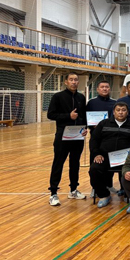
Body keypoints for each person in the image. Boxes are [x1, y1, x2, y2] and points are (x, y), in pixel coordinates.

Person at [89, 102, 130, 208]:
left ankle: (129, 194)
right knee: (94, 170)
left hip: (126, 159)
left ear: (127, 112)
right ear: (113, 112)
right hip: (105, 157)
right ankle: (104, 195)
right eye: (118, 110)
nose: (121, 112)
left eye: (123, 110)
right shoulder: (103, 124)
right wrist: (97, 154)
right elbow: (94, 140)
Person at [47, 72, 87, 206]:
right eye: (71, 80)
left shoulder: (81, 97)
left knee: (75, 164)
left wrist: (85, 127)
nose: (73, 82)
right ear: (66, 82)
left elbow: (83, 116)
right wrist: (67, 116)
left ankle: (73, 190)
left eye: (76, 80)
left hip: (78, 136)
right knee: (58, 164)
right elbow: (51, 114)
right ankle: (53, 193)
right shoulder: (58, 97)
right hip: (62, 136)